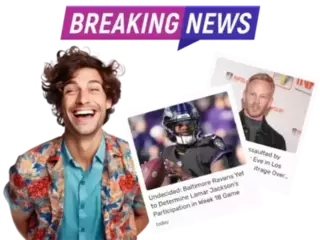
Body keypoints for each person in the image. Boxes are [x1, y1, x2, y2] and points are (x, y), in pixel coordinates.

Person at [4, 46, 148, 240]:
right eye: (71, 90)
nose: (83, 99)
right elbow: (23, 222)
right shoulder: (27, 167)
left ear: (109, 100)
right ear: (58, 104)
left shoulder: (134, 159)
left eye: (94, 89)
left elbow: (145, 213)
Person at [160, 102, 231, 184]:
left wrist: (186, 176)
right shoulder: (166, 153)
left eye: (189, 123)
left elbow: (224, 183)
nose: (185, 127)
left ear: (196, 123)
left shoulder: (210, 145)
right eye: (179, 124)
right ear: (170, 127)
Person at [240, 73, 286, 151]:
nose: (256, 101)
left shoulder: (277, 142)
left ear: (269, 103)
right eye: (252, 94)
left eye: (263, 97)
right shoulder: (224, 124)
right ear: (244, 96)